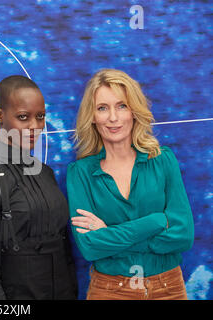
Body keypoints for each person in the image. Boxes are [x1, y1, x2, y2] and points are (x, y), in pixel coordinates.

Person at [66, 68, 194, 300]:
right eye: (102, 108)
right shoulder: (80, 173)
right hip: (109, 291)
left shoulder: (163, 160)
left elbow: (183, 235)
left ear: (134, 111)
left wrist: (109, 236)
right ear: (92, 116)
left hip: (168, 288)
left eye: (122, 106)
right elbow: (90, 246)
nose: (113, 117)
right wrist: (156, 221)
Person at [0, 75, 78, 300]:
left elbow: (64, 249)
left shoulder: (45, 173)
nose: (34, 126)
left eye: (40, 116)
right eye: (23, 117)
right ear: (0, 116)